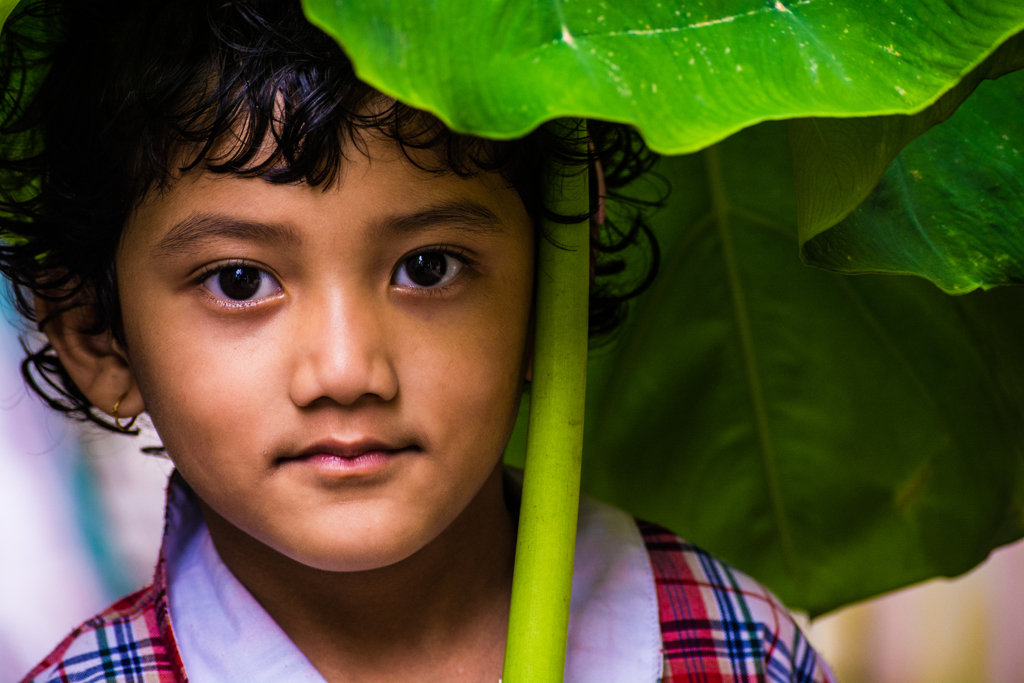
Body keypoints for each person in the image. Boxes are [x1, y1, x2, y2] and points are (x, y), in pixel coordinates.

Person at [0, 1, 835, 681]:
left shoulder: (739, 649)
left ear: (555, 287)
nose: (347, 370)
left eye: (427, 268)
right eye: (242, 281)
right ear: (96, 336)